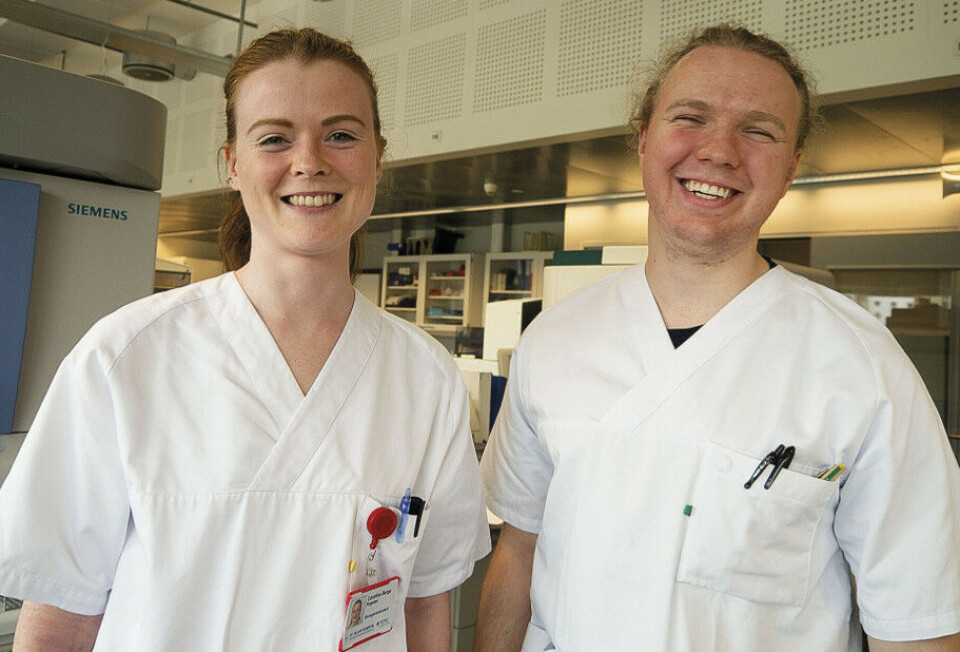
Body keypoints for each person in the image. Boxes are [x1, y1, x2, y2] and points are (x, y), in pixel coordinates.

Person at [0, 28, 490, 651]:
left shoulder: (426, 378)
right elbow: (62, 617)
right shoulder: (127, 357)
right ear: (233, 164)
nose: (310, 160)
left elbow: (423, 608)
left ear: (376, 159)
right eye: (275, 138)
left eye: (341, 134)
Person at [476, 24, 960, 652]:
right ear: (643, 139)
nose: (720, 151)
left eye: (759, 131)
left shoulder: (864, 368)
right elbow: (520, 547)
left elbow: (917, 626)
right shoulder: (556, 340)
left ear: (790, 169)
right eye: (691, 117)